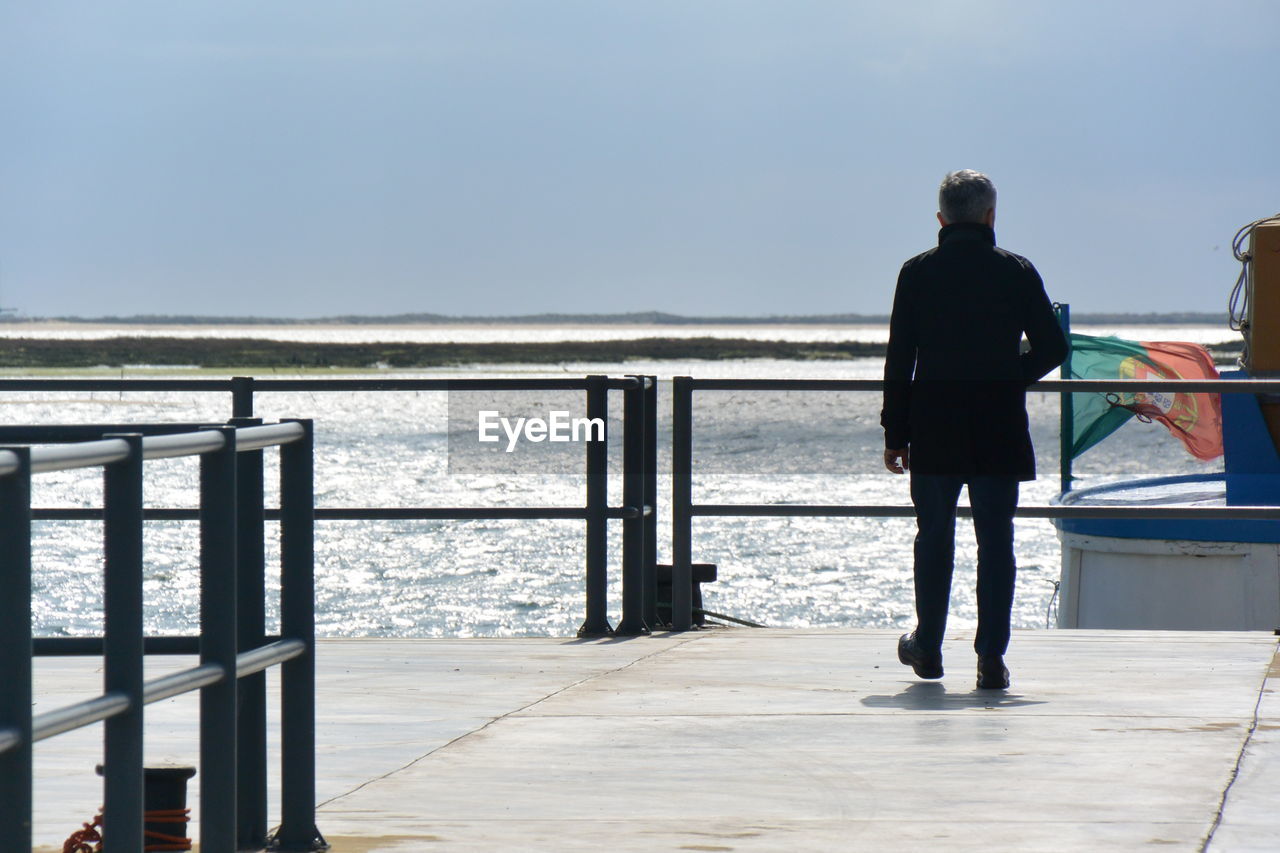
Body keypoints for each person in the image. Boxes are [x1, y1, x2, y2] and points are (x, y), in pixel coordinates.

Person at [881, 170, 1068, 690]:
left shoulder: (916, 273)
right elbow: (1053, 348)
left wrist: (895, 432)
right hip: (998, 425)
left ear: (941, 218)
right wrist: (1009, 377)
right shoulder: (1016, 270)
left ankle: (930, 648)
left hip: (933, 425)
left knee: (934, 537)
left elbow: (900, 359)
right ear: (990, 215)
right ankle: (990, 658)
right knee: (996, 541)